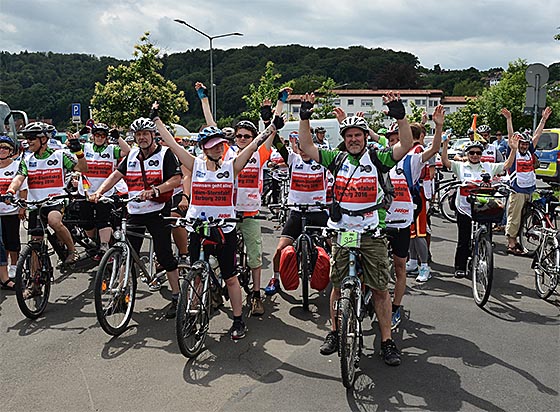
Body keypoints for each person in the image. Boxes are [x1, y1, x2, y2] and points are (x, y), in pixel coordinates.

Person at [153, 101, 285, 340]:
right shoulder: (196, 164)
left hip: (225, 229)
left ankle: (237, 320)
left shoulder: (231, 166)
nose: (217, 149)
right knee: (196, 274)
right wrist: (156, 120)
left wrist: (271, 126)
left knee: (230, 277)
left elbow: (254, 146)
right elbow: (172, 143)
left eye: (220, 145)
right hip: (198, 228)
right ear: (203, 148)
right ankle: (193, 313)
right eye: (212, 147)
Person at [298, 91, 413, 366]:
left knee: (380, 290)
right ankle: (335, 333)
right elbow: (306, 145)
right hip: (343, 229)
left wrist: (400, 116)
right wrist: (304, 116)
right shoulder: (335, 159)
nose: (353, 139)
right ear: (344, 138)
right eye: (348, 135)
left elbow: (406, 145)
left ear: (364, 137)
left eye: (357, 135)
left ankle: (386, 341)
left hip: (371, 230)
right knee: (337, 286)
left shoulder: (377, 159)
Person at [89, 117, 182, 319]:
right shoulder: (131, 155)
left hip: (157, 210)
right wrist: (99, 192)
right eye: (138, 135)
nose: (141, 138)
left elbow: (176, 179)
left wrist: (156, 190)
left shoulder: (165, 154)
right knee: (127, 254)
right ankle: (122, 296)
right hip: (135, 211)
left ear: (153, 135)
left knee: (164, 254)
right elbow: (116, 175)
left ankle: (176, 296)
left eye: (145, 134)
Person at [386, 106, 444, 329]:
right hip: (379, 222)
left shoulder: (414, 158)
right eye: (390, 140)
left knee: (399, 267)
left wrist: (437, 127)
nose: (393, 143)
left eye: (396, 139)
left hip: (401, 220)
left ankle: (396, 307)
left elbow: (435, 149)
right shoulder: (379, 159)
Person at [4, 122, 87, 265]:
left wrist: (79, 153)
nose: (28, 141)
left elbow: (83, 168)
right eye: (27, 138)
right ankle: (34, 284)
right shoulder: (27, 159)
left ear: (44, 139)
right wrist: (11, 191)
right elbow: (18, 178)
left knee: (54, 221)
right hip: (36, 204)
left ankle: (73, 250)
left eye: (32, 138)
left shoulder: (59, 155)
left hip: (55, 201)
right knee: (35, 243)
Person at [441, 132, 518, 278]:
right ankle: (460, 267)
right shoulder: (461, 166)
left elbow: (507, 165)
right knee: (463, 239)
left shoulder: (488, 166)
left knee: (486, 236)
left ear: (481, 154)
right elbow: (445, 161)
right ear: (467, 154)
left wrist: (513, 149)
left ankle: (484, 258)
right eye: (471, 153)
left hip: (484, 208)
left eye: (478, 153)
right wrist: (445, 144)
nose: (475, 155)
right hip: (464, 208)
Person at [266, 130, 329, 296]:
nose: (303, 151)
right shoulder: (293, 159)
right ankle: (275, 278)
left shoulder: (323, 161)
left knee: (335, 245)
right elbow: (278, 146)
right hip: (296, 212)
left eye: (306, 148)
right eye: (300, 148)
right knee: (280, 250)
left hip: (318, 211)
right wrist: (270, 125)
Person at [501, 107, 552, 255]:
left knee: (524, 217)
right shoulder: (514, 152)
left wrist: (543, 119)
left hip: (529, 189)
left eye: (525, 144)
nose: (523, 146)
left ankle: (519, 240)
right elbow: (511, 137)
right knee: (514, 217)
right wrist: (509, 119)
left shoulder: (529, 152)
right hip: (517, 190)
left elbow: (537, 135)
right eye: (521, 143)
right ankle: (511, 243)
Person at [80, 123, 130, 260]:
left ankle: (104, 247)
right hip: (86, 190)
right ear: (93, 136)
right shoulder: (86, 147)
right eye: (97, 135)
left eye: (103, 135)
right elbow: (69, 144)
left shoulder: (111, 149)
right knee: (86, 221)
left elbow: (127, 151)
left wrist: (118, 137)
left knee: (103, 220)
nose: (100, 138)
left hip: (105, 192)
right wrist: (80, 132)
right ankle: (91, 245)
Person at [0, 136, 26, 280]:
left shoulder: (17, 166)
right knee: (1, 243)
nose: (2, 151)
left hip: (11, 211)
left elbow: (23, 189)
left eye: (5, 148)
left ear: (11, 151)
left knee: (12, 241)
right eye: (0, 148)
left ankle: (14, 266)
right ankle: (2, 268)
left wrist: (22, 207)